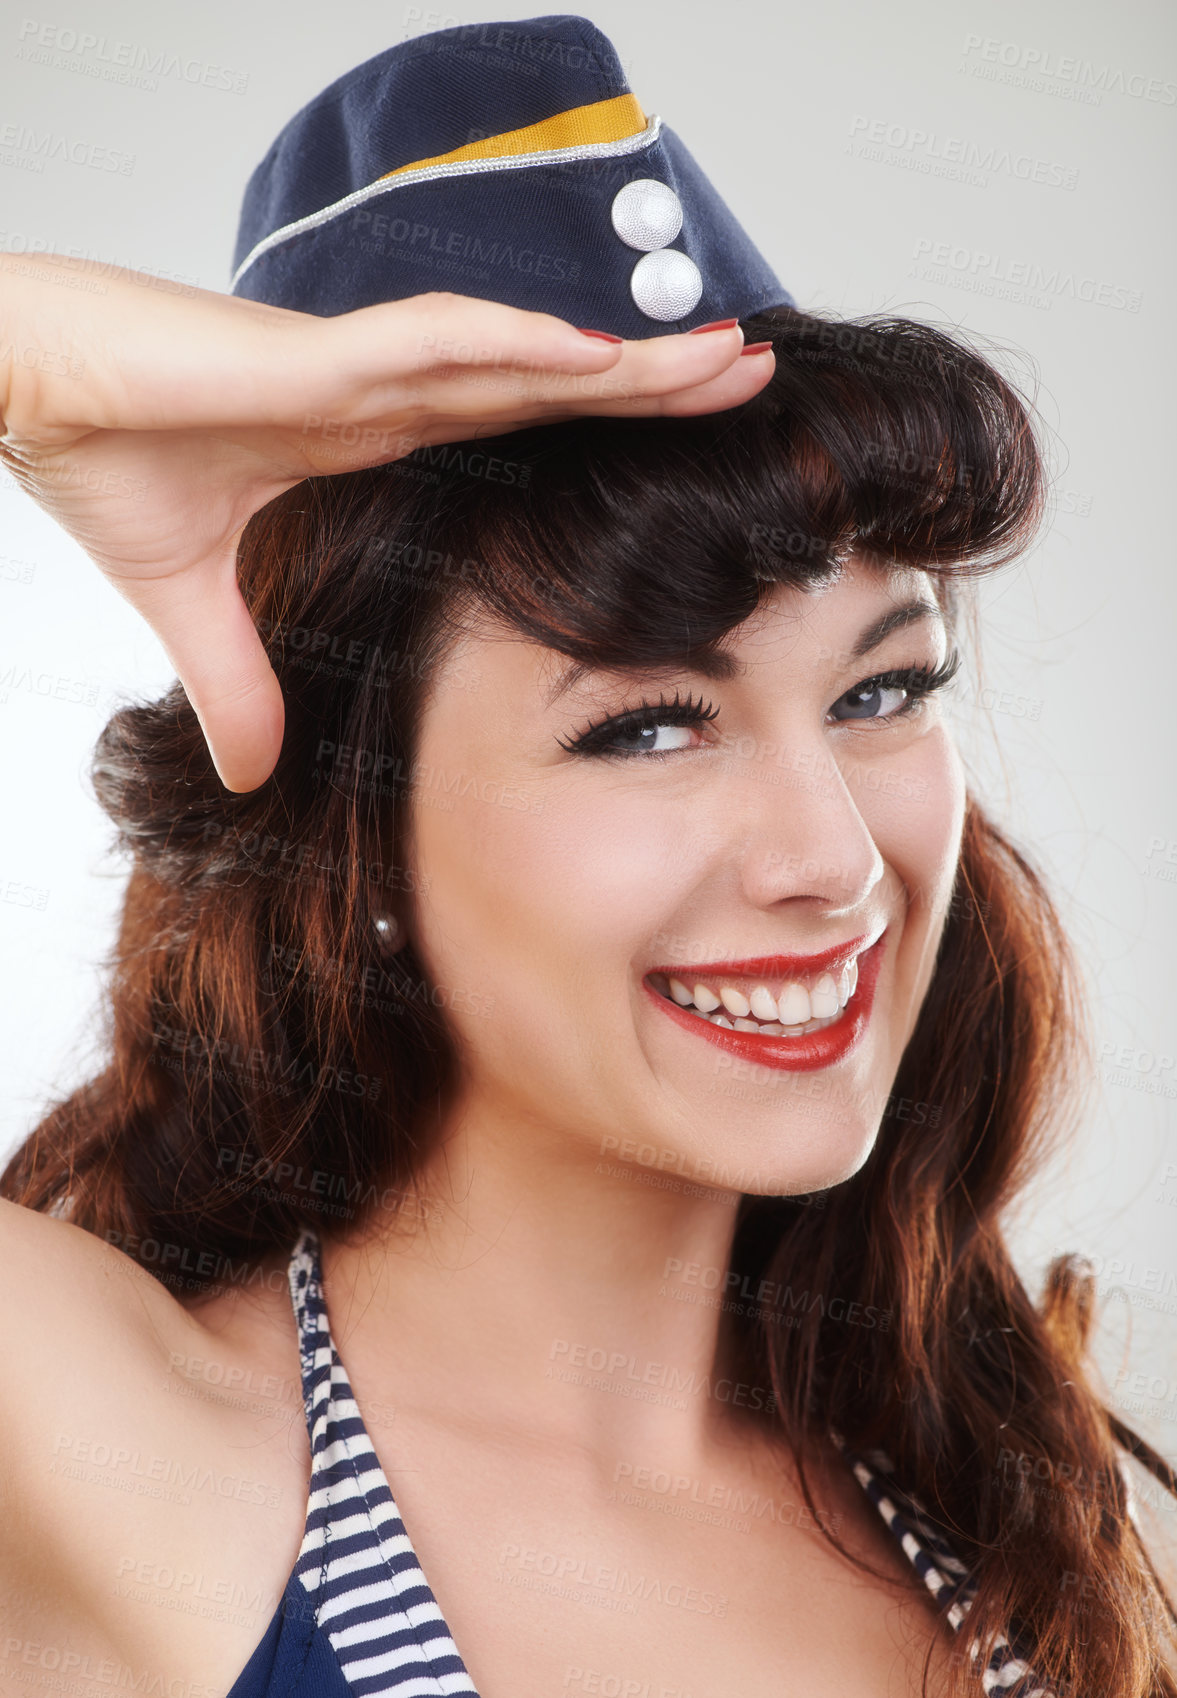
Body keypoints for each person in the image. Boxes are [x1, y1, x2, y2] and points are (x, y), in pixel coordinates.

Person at [1, 14, 1174, 1698]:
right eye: (647, 724)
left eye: (882, 689)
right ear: (356, 827)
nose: (830, 860)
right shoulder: (113, 1460)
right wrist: (42, 371)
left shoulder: (1019, 1509)